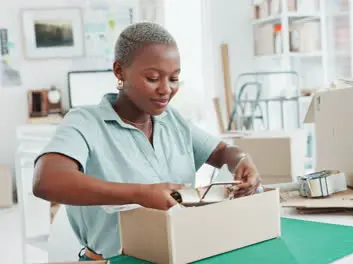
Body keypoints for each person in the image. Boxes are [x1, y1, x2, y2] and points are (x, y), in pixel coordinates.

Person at [32, 22, 261, 261]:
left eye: (174, 79)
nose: (166, 89)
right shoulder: (85, 123)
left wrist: (242, 161)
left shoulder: (172, 120)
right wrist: (139, 194)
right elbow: (46, 181)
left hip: (185, 254)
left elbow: (223, 152)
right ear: (119, 71)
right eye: (153, 78)